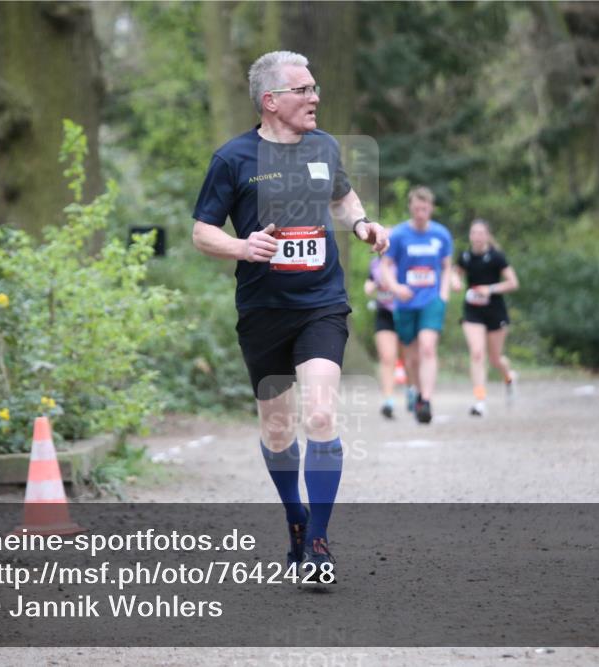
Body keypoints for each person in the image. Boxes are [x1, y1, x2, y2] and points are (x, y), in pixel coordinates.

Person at [191, 51, 388, 582]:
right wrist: (241, 246)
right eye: (302, 90)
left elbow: (343, 199)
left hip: (321, 303)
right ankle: (295, 521)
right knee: (278, 429)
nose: (314, 97)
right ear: (270, 101)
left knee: (321, 416)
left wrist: (364, 224)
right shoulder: (232, 159)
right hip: (262, 310)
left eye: (315, 87)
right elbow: (202, 231)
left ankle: (319, 544)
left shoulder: (324, 147)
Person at [380, 186, 459, 424]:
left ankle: (426, 400)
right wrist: (395, 288)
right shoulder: (400, 235)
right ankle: (414, 389)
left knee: (427, 347)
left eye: (424, 209)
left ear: (431, 209)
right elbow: (385, 266)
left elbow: (447, 266)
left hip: (431, 300)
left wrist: (443, 294)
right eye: (416, 208)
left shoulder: (441, 235)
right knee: (412, 358)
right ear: (411, 209)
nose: (420, 213)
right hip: (405, 302)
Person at [454, 219, 519, 417]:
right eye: (474, 233)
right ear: (470, 236)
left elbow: (513, 283)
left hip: (495, 311)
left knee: (495, 358)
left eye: (482, 233)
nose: (478, 237)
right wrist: (454, 281)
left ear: (488, 236)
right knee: (476, 353)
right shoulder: (465, 256)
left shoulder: (497, 257)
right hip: (472, 311)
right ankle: (480, 400)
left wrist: (489, 289)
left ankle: (509, 378)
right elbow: (454, 273)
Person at [364, 253, 400, 419]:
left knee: (410, 359)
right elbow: (369, 282)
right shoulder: (375, 263)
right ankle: (388, 400)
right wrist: (370, 286)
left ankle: (414, 391)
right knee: (387, 357)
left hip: (405, 312)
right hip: (384, 313)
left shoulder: (403, 260)